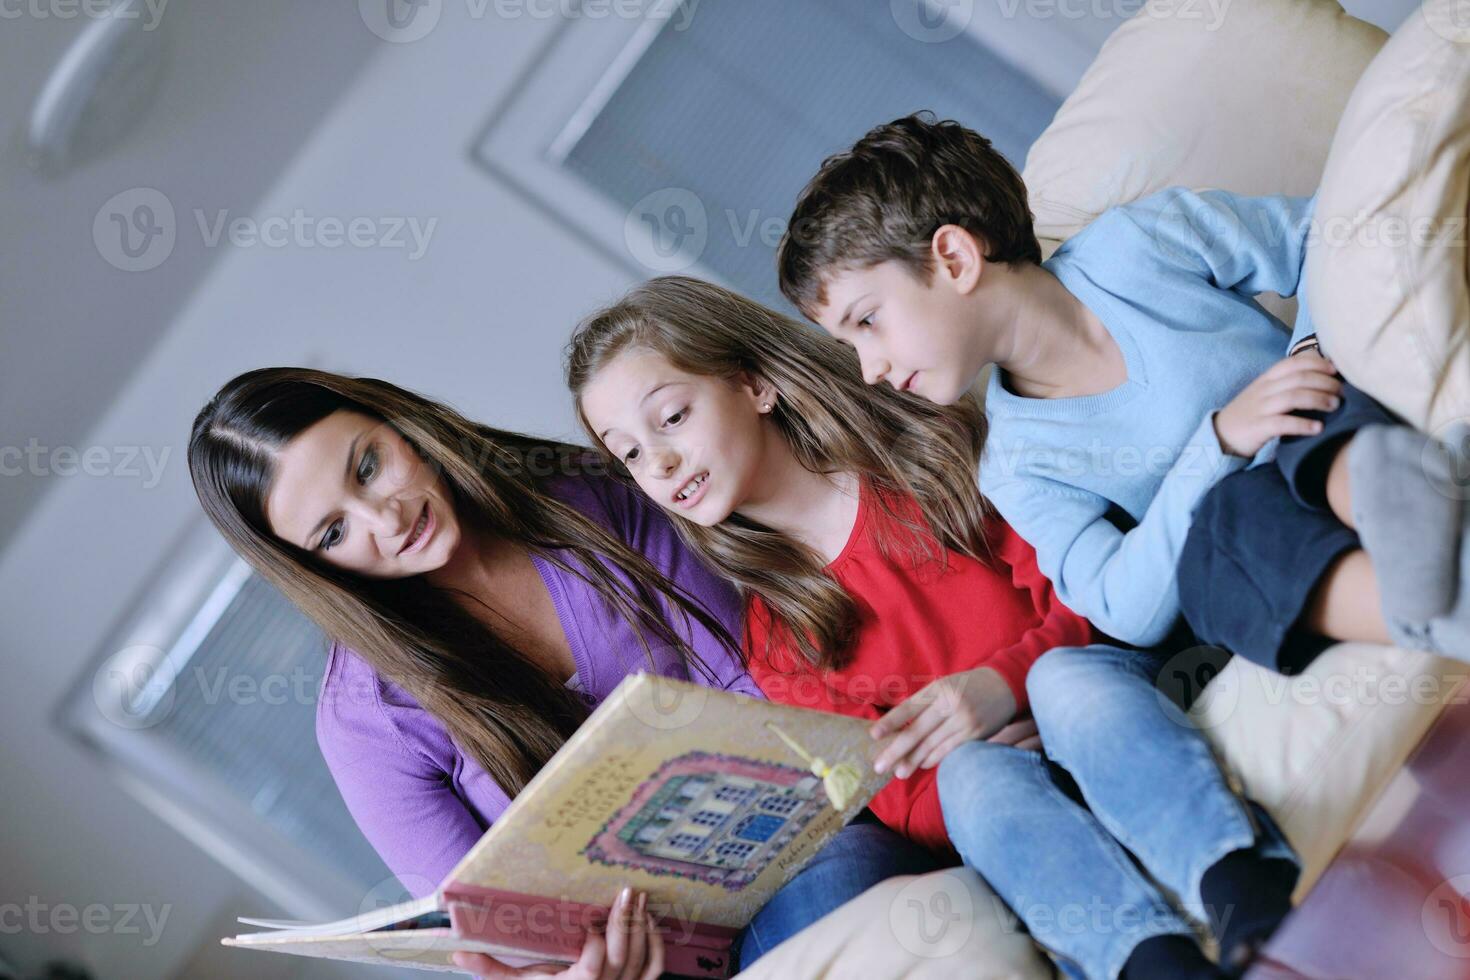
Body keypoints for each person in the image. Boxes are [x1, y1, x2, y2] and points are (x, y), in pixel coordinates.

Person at [568, 277, 1293, 979]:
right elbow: (897, 796)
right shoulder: (776, 636)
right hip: (1002, 789)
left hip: (1102, 687)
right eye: (628, 453)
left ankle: (1246, 890)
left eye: (671, 417)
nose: (658, 461)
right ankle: (1148, 963)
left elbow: (1086, 593)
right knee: (972, 777)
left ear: (756, 385)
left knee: (1064, 680)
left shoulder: (929, 456)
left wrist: (1002, 689)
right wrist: (975, 747)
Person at [187, 367, 941, 978]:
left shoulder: (588, 499)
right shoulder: (364, 720)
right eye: (334, 530)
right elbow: (484, 935)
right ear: (313, 567)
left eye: (368, 465)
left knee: (846, 885)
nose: (386, 520)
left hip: (799, 850)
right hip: (647, 968)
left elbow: (746, 678)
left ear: (399, 422)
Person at [775, 111, 1469, 673]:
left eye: (867, 321)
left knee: (1313, 419)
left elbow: (1327, 233)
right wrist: (1220, 441)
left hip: (1325, 431)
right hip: (1258, 543)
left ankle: (1400, 506)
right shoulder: (1014, 462)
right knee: (1217, 541)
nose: (868, 369)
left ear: (955, 258)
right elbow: (1120, 604)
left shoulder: (1137, 245)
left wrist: (1308, 350)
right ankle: (1431, 599)